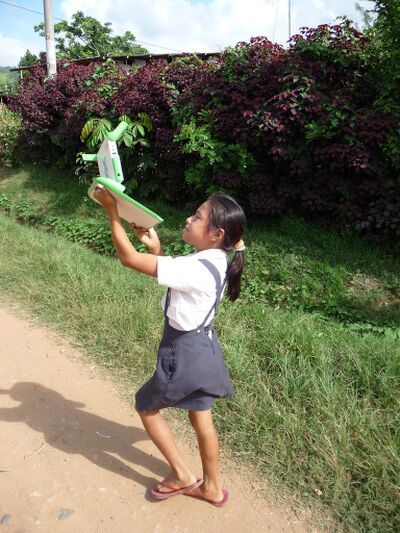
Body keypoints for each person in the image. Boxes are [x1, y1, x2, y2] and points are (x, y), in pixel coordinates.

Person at [94, 186, 246, 507]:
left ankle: (182, 475)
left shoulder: (197, 267)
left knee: (146, 406)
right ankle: (212, 488)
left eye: (198, 217)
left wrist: (111, 210)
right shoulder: (214, 260)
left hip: (183, 353)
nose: (189, 219)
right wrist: (158, 251)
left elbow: (128, 259)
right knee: (201, 420)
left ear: (216, 234)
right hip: (205, 348)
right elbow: (180, 280)